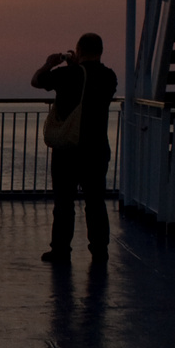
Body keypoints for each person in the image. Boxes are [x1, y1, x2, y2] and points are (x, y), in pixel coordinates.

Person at [31, 32, 118, 264]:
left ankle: (60, 249)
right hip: (96, 148)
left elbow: (37, 81)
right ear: (100, 51)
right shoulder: (109, 76)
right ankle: (100, 250)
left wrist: (50, 63)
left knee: (64, 202)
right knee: (96, 202)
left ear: (78, 50)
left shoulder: (67, 74)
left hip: (67, 149)